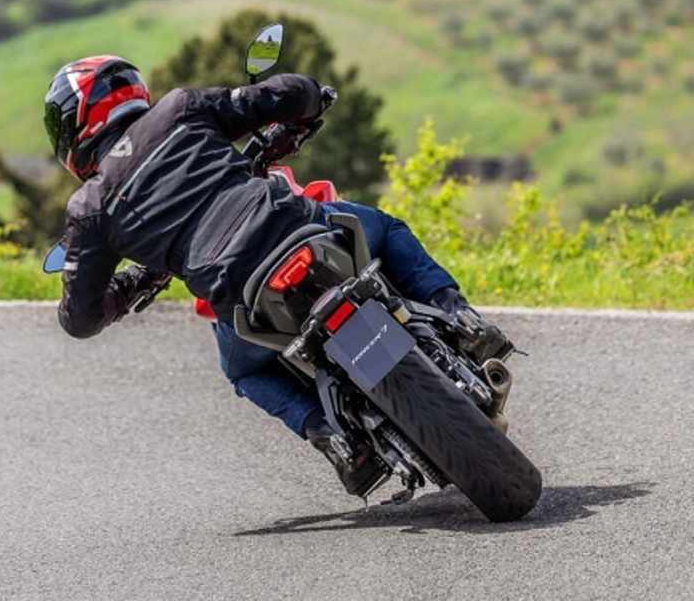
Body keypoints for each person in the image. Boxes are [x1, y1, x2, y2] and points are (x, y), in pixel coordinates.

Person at [44, 55, 512, 496]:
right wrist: (310, 103)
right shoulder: (178, 109)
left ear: (75, 126)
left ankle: (333, 438)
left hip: (238, 293)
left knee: (243, 371)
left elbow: (79, 318)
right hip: (296, 227)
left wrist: (126, 288)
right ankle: (461, 316)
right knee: (385, 229)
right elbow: (281, 94)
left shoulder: (92, 207)